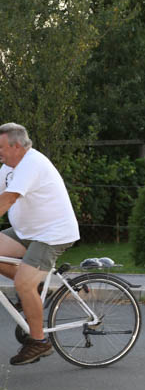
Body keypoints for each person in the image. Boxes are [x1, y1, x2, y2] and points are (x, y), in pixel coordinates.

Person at [0, 123, 80, 365]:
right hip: (28, 231)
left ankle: (39, 342)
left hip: (52, 234)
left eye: (1, 147)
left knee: (23, 283)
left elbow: (8, 198)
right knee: (25, 281)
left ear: (16, 146)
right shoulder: (8, 167)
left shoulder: (32, 163)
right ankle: (35, 289)